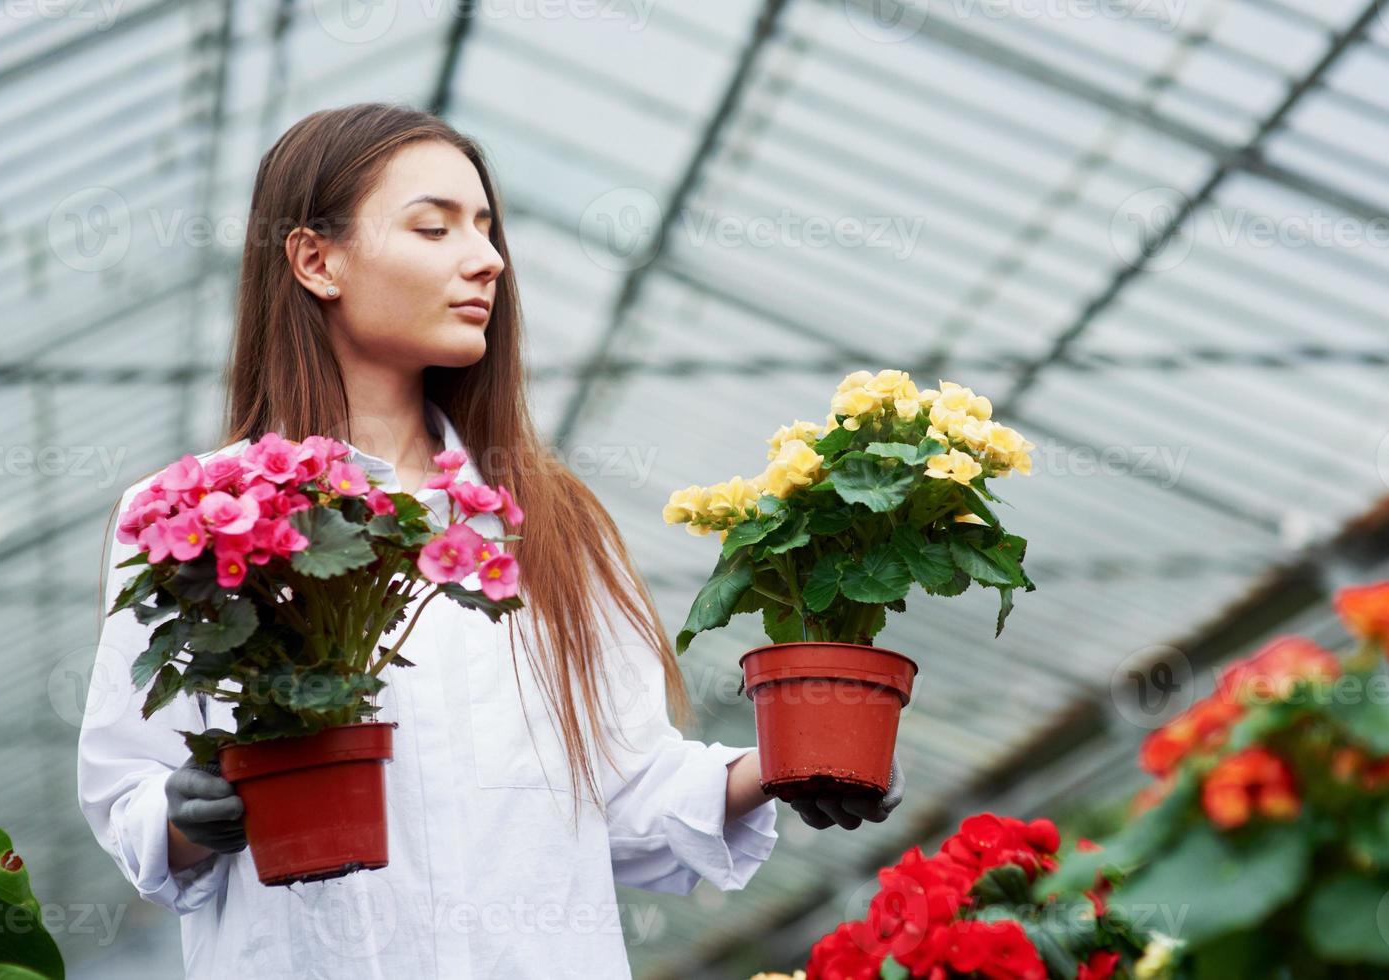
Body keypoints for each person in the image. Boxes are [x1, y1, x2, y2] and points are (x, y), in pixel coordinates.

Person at [77, 102, 903, 978]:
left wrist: (784, 766)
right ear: (315, 260)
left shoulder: (549, 521)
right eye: (434, 228)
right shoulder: (195, 514)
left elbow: (625, 791)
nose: (488, 259)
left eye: (486, 228)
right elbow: (129, 786)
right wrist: (181, 814)